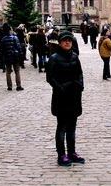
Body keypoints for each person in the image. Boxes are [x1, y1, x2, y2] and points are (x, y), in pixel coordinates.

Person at [46, 31, 85, 166]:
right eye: (65, 40)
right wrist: (61, 88)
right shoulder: (54, 58)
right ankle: (61, 155)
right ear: (60, 42)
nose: (67, 42)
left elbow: (80, 74)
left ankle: (72, 152)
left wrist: (80, 86)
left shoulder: (75, 56)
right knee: (62, 127)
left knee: (72, 127)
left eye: (69, 40)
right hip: (61, 98)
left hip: (74, 96)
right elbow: (50, 78)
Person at [0, 23, 24, 91]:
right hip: (15, 56)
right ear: (10, 30)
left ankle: (9, 86)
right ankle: (18, 86)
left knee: (8, 72)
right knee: (17, 71)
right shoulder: (15, 37)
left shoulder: (3, 39)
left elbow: (2, 50)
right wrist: (21, 55)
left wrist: (3, 57)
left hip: (7, 56)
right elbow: (19, 47)